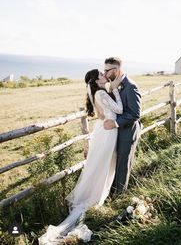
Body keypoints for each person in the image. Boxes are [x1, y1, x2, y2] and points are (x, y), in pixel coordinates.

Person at [38, 69, 123, 244]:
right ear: (96, 80)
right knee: (105, 165)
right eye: (100, 74)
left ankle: (97, 194)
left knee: (100, 164)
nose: (104, 74)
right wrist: (114, 89)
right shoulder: (101, 92)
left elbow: (102, 114)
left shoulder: (97, 92)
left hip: (103, 129)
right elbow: (120, 109)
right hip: (108, 132)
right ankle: (95, 198)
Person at [103, 57, 142, 195]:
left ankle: (119, 196)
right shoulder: (114, 84)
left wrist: (115, 123)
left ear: (116, 70)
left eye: (107, 70)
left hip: (127, 131)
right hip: (116, 132)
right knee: (114, 162)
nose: (104, 73)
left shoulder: (130, 86)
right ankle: (111, 192)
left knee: (122, 164)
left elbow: (135, 113)